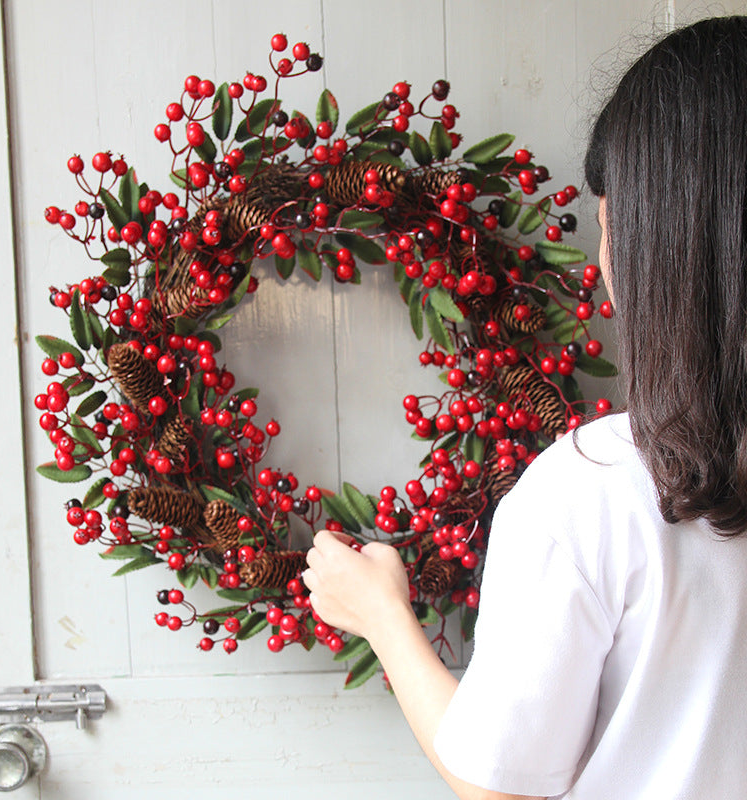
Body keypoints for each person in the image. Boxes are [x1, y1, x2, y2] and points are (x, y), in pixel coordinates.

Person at [302, 16, 747, 800]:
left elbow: (499, 786)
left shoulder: (595, 489)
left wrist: (381, 615)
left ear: (658, 245)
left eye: (609, 226)